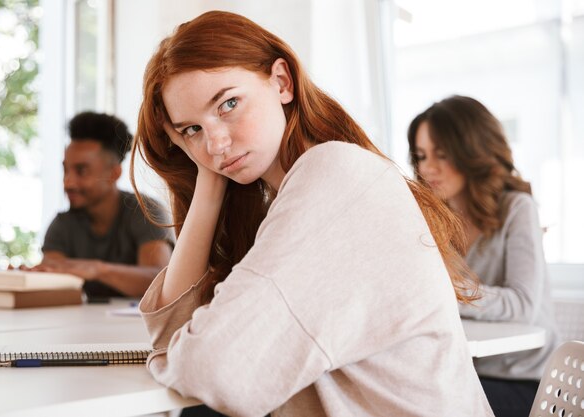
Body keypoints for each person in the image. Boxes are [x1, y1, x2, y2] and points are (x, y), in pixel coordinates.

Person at [131, 11, 493, 417]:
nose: (215, 143)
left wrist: (186, 353)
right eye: (191, 130)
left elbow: (213, 369)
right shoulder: (281, 196)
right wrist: (209, 182)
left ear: (281, 82)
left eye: (228, 104)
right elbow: (170, 338)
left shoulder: (335, 175)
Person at [407, 95, 559, 417]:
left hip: (526, 381)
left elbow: (523, 304)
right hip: (462, 371)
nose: (427, 168)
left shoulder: (517, 208)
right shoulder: (434, 218)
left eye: (442, 155)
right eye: (420, 156)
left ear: (471, 153)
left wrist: (448, 292)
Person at [32, 111, 174, 299]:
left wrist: (97, 269)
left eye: (81, 171)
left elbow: (160, 281)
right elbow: (51, 281)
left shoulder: (145, 211)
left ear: (114, 173)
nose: (68, 183)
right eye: (65, 170)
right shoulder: (62, 225)